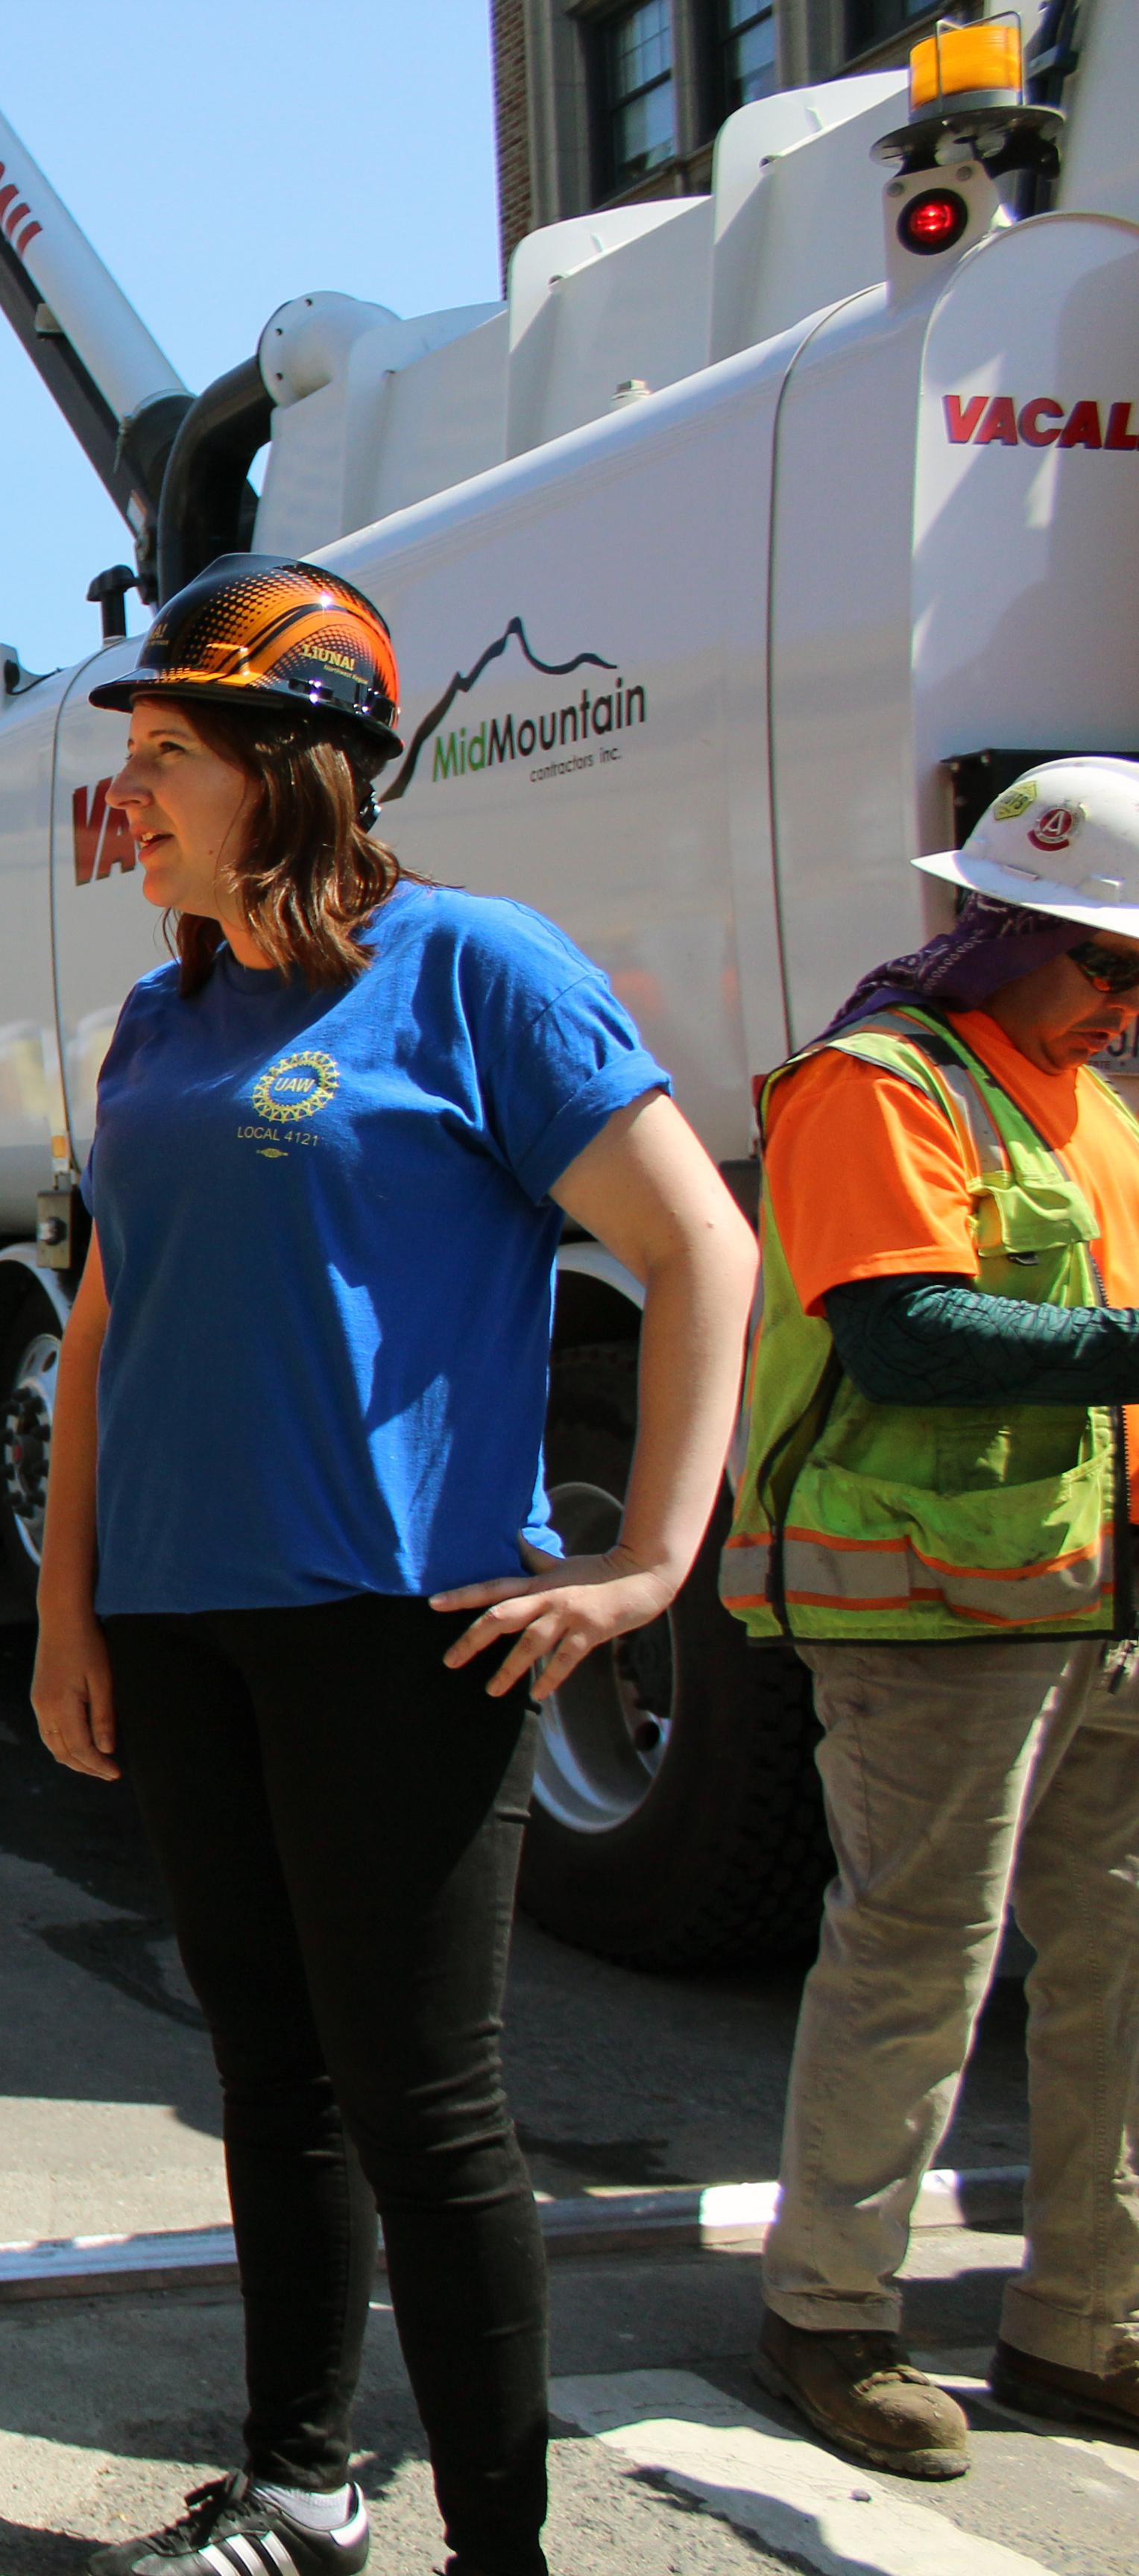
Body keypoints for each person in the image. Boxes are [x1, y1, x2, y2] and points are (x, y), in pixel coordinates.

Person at [25, 556, 757, 2576]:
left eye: (167, 756)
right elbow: (103, 1330)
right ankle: (299, 2482)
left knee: (425, 2115)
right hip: (183, 1628)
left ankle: (499, 2549)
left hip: (396, 1633)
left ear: (300, 772)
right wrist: (69, 1609)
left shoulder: (477, 974)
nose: (133, 796)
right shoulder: (160, 1019)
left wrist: (651, 1563)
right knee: (272, 2084)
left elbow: (704, 1251)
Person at [722, 757, 1139, 2478]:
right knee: (917, 1966)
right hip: (927, 1613)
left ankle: (1080, 2322)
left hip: (1088, 1598)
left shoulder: (1082, 1101)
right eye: (1114, 966)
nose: (1128, 1002)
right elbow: (903, 1332)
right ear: (1012, 934)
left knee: (1119, 1971)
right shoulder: (879, 1087)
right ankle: (828, 2315)